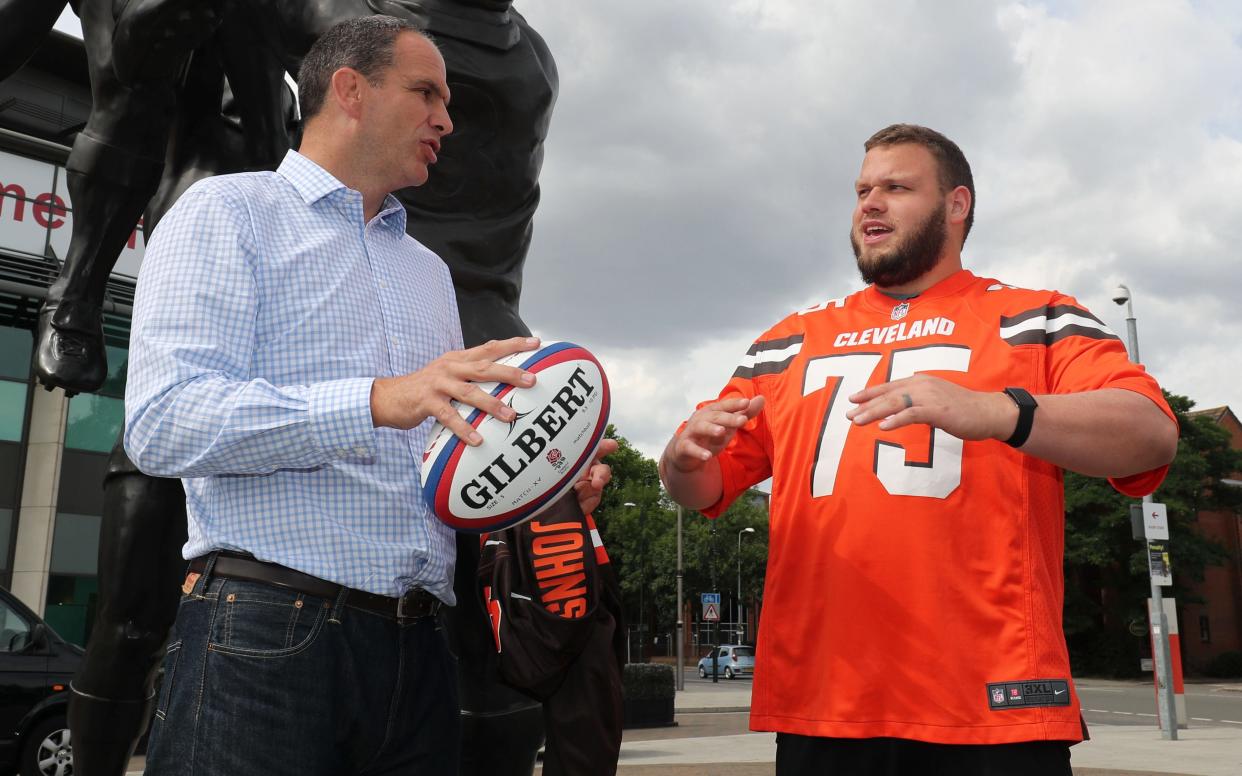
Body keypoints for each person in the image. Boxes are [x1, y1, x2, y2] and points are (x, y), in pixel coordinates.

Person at [123, 16, 612, 775]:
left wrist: (535, 478)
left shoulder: (428, 272)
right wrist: (376, 400)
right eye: (426, 93)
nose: (448, 119)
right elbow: (163, 422)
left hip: (417, 654)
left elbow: (433, 459)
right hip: (265, 634)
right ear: (349, 90)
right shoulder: (227, 213)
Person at [660, 124, 1179, 775]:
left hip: (993, 707)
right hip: (826, 704)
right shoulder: (788, 341)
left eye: (896, 187)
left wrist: (995, 410)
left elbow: (1150, 431)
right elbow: (704, 489)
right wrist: (680, 462)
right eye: (862, 190)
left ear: (956, 205)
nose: (869, 204)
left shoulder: (1035, 318)